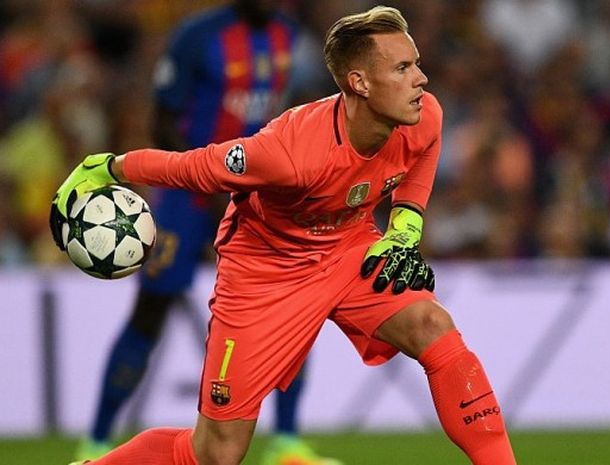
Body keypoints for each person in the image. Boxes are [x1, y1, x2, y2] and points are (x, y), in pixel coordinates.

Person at [52, 6, 518, 465]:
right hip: (264, 270)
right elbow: (195, 167)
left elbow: (422, 152)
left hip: (348, 246)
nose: (422, 79)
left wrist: (405, 225)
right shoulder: (289, 153)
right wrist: (110, 166)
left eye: (416, 63)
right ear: (360, 82)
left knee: (433, 326)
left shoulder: (425, 115)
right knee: (217, 452)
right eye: (403, 67)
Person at [73, 2, 339, 465]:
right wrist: (213, 176)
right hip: (191, 198)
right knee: (150, 310)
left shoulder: (288, 34)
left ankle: (288, 444)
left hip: (260, 198)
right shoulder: (196, 35)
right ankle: (96, 442)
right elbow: (162, 120)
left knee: (293, 312)